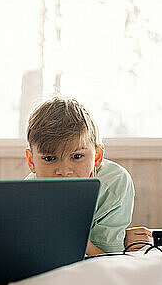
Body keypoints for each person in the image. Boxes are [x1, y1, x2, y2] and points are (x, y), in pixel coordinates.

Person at [24, 97, 152, 255]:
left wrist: (65, 235)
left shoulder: (114, 182)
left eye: (77, 156)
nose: (63, 171)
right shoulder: (28, 191)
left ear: (97, 157)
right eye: (50, 158)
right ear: (32, 161)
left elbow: (105, 257)